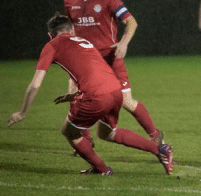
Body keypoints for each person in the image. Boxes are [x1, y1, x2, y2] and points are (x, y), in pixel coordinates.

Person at [7, 14, 173, 175]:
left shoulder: (52, 45)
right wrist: (75, 95)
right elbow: (93, 72)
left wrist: (22, 112)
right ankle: (160, 149)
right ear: (72, 30)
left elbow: (35, 85)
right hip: (115, 90)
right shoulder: (83, 41)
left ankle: (102, 169)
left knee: (69, 131)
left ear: (50, 35)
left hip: (97, 95)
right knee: (106, 133)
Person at [64, 0, 163, 150]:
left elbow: (132, 22)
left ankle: (156, 137)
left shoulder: (109, 0)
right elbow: (72, 30)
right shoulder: (70, 0)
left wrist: (123, 43)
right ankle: (85, 141)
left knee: (127, 101)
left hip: (110, 60)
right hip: (85, 63)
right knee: (75, 97)